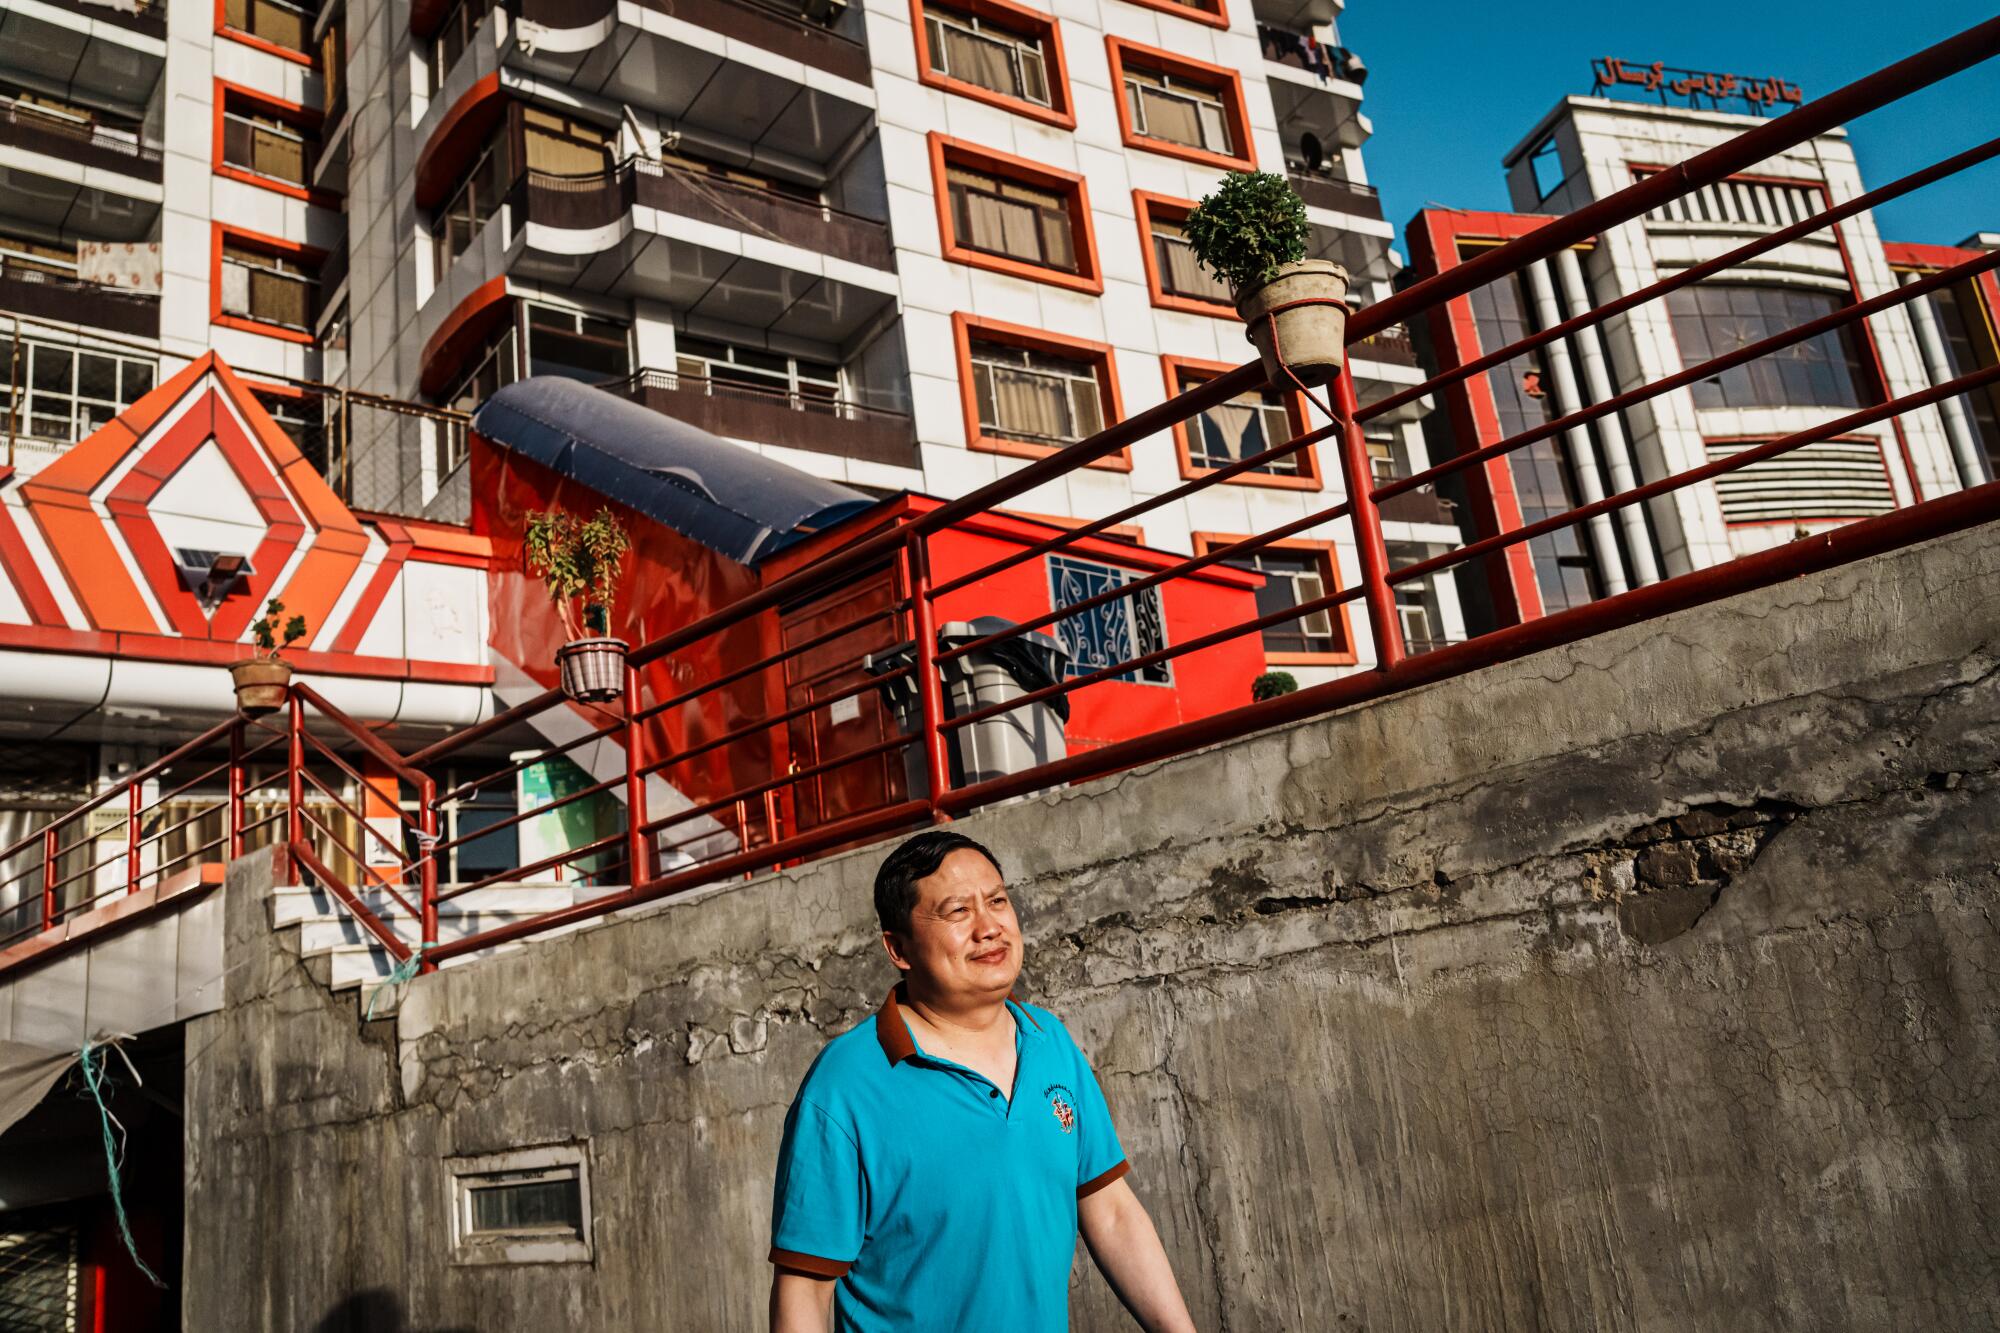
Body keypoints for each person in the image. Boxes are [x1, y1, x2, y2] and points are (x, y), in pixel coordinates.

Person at [768, 830, 1197, 1333]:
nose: (989, 927)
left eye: (997, 901)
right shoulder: (844, 1087)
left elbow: (1112, 1213)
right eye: (957, 912)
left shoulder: (1049, 1042)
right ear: (898, 948)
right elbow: (804, 1290)